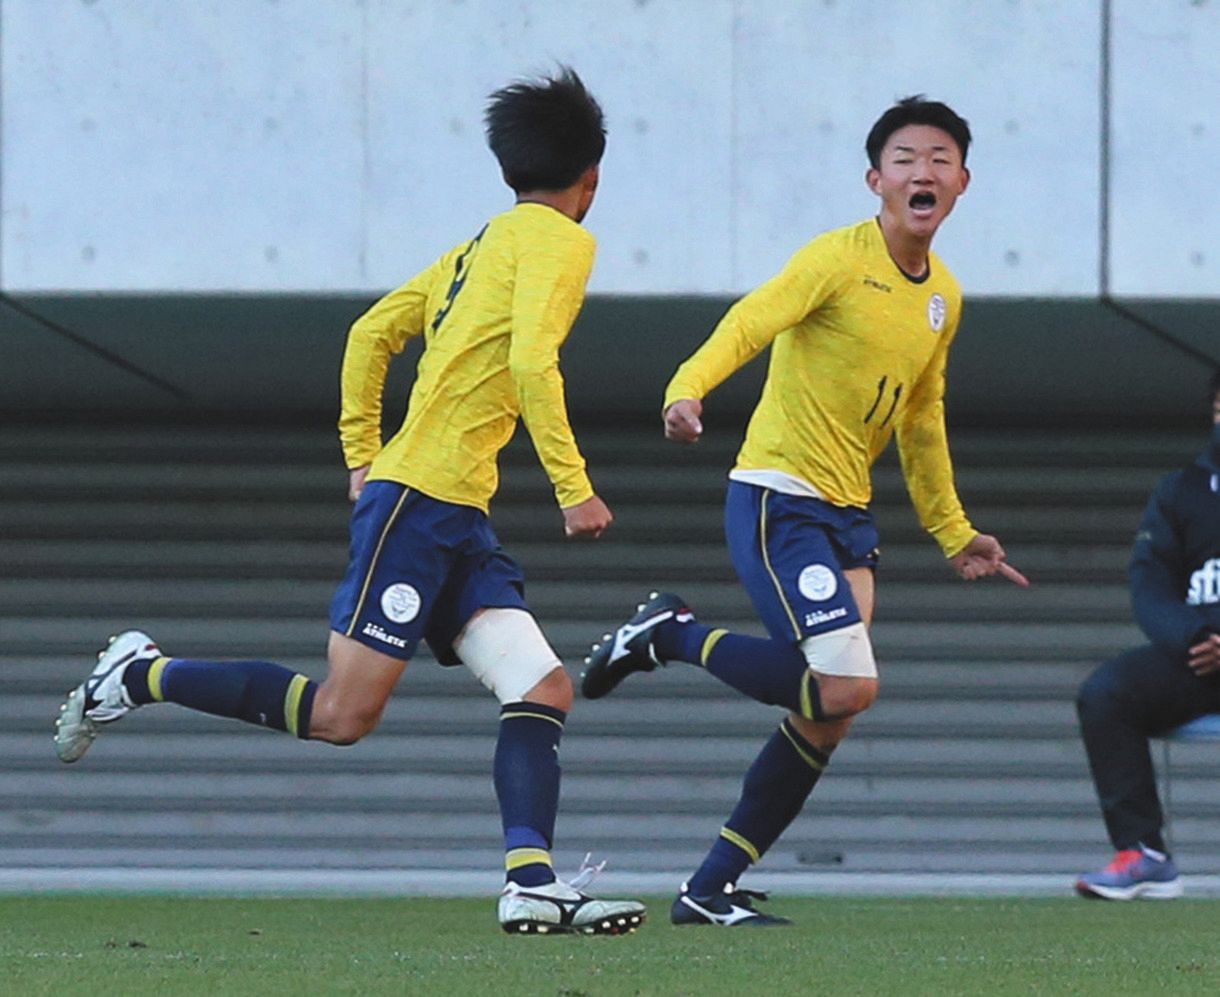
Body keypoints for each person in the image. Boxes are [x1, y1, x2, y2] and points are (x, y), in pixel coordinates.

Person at [53, 67, 646, 936]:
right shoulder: (562, 244)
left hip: (447, 509)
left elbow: (372, 334)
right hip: (423, 505)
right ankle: (139, 674)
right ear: (591, 178)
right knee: (341, 715)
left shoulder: (479, 246)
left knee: (543, 686)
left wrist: (362, 455)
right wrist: (574, 487)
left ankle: (531, 881)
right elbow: (530, 363)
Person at [581, 96, 1028, 926]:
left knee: (828, 713)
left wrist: (954, 531)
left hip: (848, 517)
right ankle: (669, 632)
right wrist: (687, 385)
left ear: (963, 180)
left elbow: (922, 420)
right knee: (849, 684)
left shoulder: (944, 299)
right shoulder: (836, 258)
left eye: (939, 157)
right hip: (779, 498)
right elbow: (755, 318)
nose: (922, 170)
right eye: (904, 157)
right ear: (874, 179)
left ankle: (705, 889)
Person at [1074, 370, 1220, 900]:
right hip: (1202, 658)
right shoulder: (1180, 491)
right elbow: (1150, 585)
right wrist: (1195, 635)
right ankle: (1145, 854)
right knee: (1106, 693)